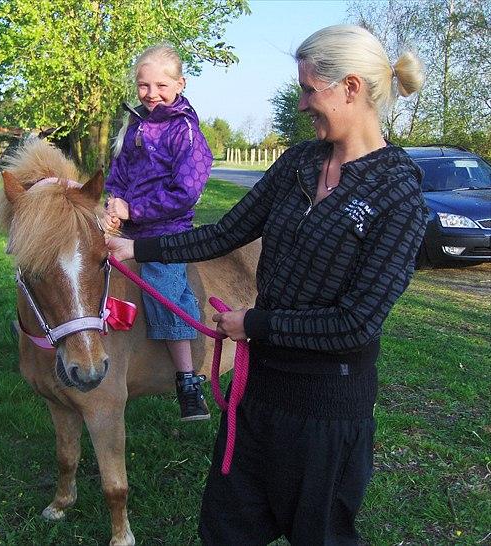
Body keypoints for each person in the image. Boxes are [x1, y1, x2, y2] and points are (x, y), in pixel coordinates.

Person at [106, 25, 426, 544]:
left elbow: (356, 323)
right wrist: (137, 249)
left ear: (350, 87)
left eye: (308, 90)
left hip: (326, 411)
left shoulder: (398, 195)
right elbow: (228, 232)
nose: (301, 105)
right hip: (254, 396)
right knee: (225, 530)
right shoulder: (300, 164)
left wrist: (252, 323)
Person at [104, 44, 214, 421]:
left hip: (166, 231)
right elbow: (118, 173)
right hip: (130, 226)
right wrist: (113, 204)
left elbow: (186, 192)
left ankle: (187, 381)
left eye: (162, 85)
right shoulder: (136, 124)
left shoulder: (184, 132)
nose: (152, 94)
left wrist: (134, 209)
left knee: (165, 290)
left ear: (180, 84)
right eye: (143, 85)